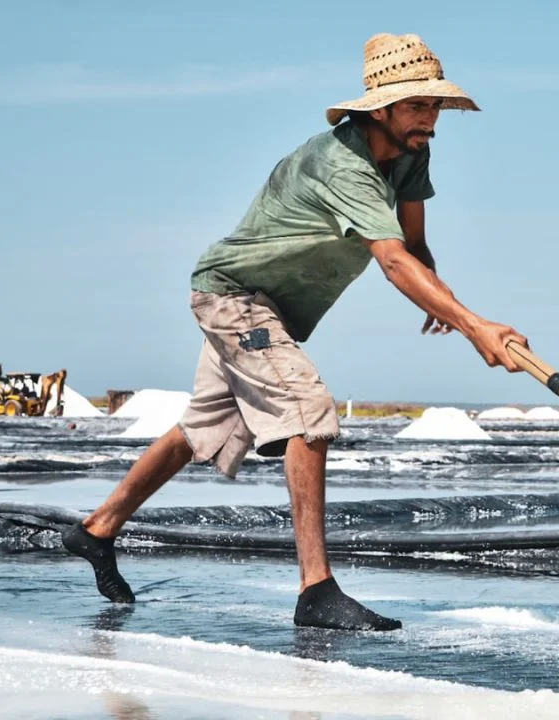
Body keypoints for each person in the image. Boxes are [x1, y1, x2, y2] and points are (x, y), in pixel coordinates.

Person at [62, 33, 529, 632]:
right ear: (378, 108)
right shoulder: (341, 164)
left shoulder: (412, 153)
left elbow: (413, 244)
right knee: (308, 416)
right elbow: (390, 258)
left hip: (272, 308)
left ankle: (96, 529)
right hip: (234, 297)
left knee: (203, 427)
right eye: (417, 106)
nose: (430, 119)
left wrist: (443, 296)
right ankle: (316, 591)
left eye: (435, 106)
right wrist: (475, 327)